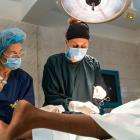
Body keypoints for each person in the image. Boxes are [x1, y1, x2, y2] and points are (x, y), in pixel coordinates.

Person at [42, 19, 107, 114]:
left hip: (86, 117)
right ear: (67, 43)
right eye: (75, 46)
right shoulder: (54, 62)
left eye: (84, 46)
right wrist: (72, 105)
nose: (79, 49)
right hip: (60, 118)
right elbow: (51, 95)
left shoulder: (93, 63)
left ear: (88, 44)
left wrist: (101, 92)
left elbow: (99, 87)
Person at [0, 28, 35, 124]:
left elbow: (28, 111)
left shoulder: (24, 79)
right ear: (1, 53)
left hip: (14, 130)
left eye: (20, 53)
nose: (18, 57)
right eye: (14, 53)